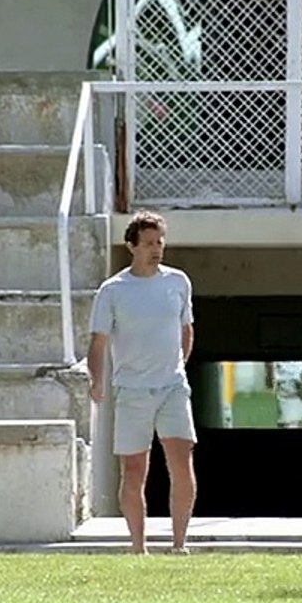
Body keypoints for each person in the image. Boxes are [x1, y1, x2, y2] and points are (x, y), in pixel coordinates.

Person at [87, 211, 197, 555]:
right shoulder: (113, 290)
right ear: (132, 246)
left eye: (160, 242)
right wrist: (98, 382)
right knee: (134, 470)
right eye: (148, 243)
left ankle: (179, 545)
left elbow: (186, 329)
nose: (156, 249)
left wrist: (178, 366)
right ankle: (138, 547)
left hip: (173, 388)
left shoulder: (178, 281)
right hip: (131, 390)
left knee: (182, 462)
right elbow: (99, 341)